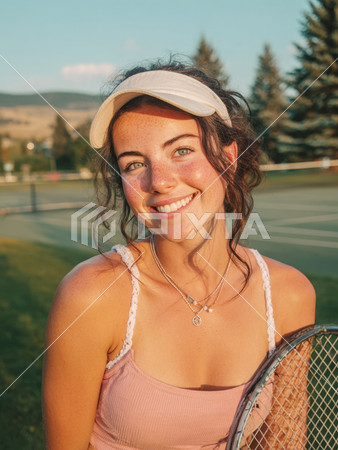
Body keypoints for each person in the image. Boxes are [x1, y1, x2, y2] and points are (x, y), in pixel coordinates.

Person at [42, 60, 316, 449]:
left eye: (182, 150)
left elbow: (284, 443)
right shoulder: (90, 296)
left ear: (230, 157)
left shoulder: (289, 295)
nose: (160, 181)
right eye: (134, 163)